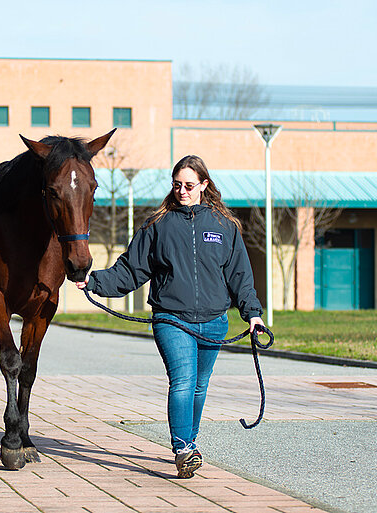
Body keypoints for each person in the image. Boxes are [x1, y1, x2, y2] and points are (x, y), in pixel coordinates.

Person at [76, 155, 264, 479]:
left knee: (200, 386)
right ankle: (183, 449)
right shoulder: (157, 225)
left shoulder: (224, 226)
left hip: (214, 321)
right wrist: (94, 281)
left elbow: (240, 276)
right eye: (177, 185)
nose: (182, 191)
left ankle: (189, 442)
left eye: (189, 185)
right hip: (172, 318)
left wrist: (253, 315)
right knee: (183, 381)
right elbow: (131, 269)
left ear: (204, 185)